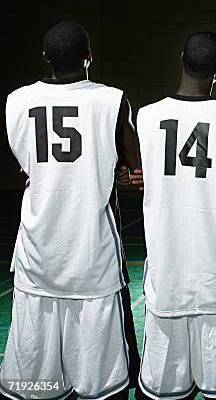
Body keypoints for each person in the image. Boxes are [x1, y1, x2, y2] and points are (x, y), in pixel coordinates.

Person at [1, 21, 141, 399]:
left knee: (35, 376)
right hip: (91, 254)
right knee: (100, 382)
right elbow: (134, 165)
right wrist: (117, 170)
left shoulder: (17, 100)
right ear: (89, 57)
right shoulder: (112, 99)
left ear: (45, 57)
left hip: (36, 253)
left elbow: (24, 164)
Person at [133, 31, 216, 400]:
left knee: (167, 393)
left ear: (181, 58)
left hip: (166, 277)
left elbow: (137, 173)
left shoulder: (146, 117)